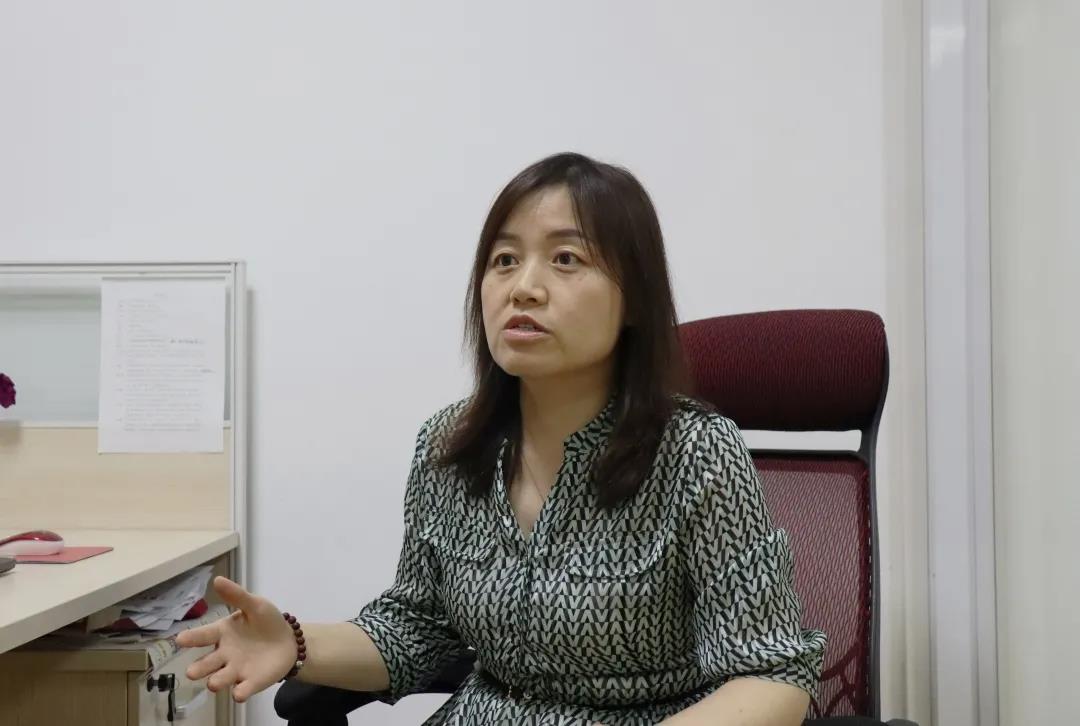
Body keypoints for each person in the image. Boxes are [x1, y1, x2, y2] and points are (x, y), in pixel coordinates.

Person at [176, 152, 826, 725]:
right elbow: (417, 627)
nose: (524, 288)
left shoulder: (695, 454)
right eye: (504, 260)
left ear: (633, 298)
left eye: (566, 259)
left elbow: (771, 675)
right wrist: (295, 643)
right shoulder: (448, 445)